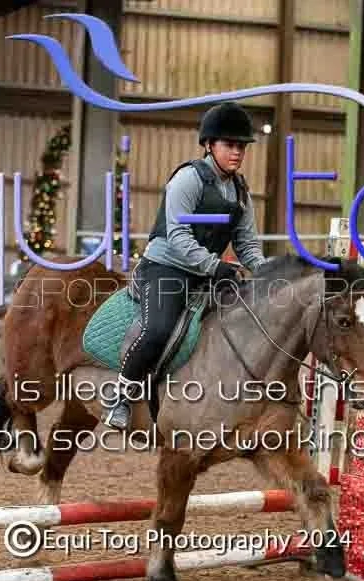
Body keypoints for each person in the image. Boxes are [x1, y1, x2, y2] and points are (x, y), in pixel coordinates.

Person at [101, 101, 269, 430]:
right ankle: (120, 395)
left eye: (242, 146)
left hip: (207, 273)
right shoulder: (188, 179)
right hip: (166, 268)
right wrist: (214, 265)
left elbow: (247, 244)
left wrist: (265, 272)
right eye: (230, 144)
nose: (237, 152)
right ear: (209, 144)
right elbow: (178, 235)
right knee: (158, 329)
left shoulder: (240, 191)